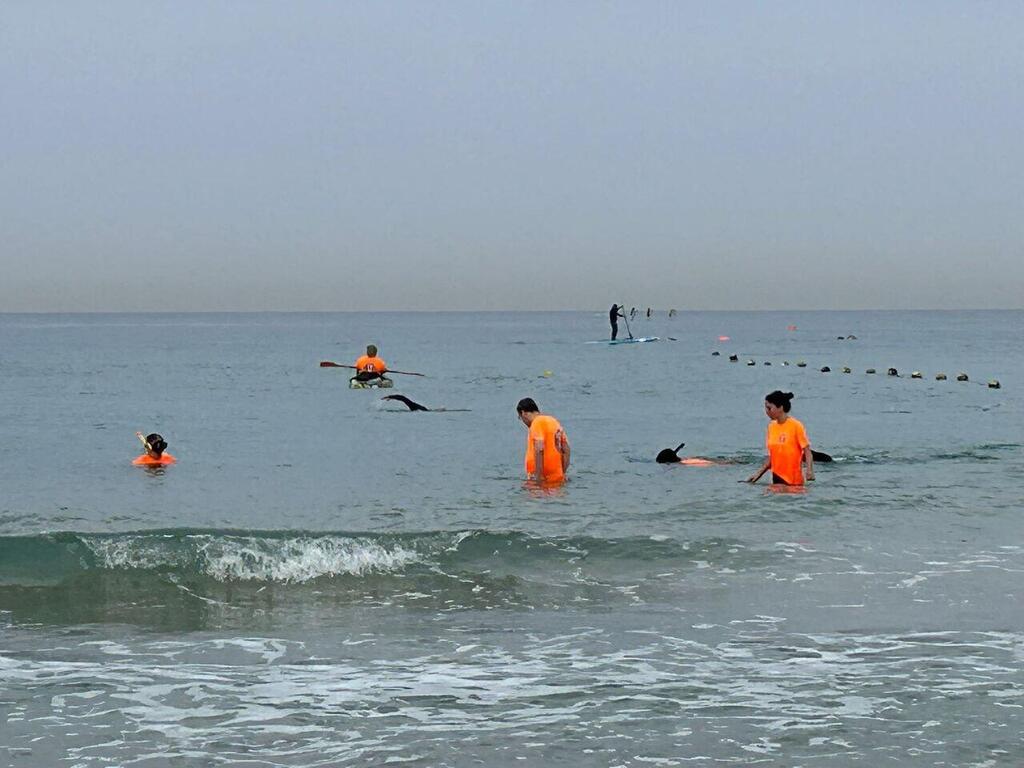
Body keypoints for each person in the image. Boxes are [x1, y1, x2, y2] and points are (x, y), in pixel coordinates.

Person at [747, 391, 814, 485]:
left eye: (769, 408)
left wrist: (809, 471)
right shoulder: (771, 427)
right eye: (765, 408)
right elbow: (772, 456)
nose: (766, 411)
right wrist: (758, 474)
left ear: (780, 408)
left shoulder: (796, 426)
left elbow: (807, 452)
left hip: (793, 483)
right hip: (776, 479)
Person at [516, 398, 570, 484]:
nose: (523, 421)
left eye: (520, 417)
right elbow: (566, 449)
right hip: (557, 478)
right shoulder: (553, 421)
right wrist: (562, 472)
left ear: (523, 413)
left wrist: (538, 478)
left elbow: (539, 448)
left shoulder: (536, 423)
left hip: (542, 480)